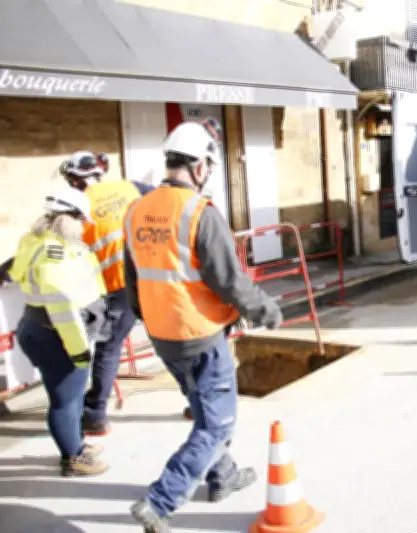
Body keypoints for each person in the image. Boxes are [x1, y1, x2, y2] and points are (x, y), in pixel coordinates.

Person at [123, 120, 283, 532]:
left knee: (203, 406)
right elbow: (229, 280)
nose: (209, 173)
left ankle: (223, 476)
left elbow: (133, 278)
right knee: (217, 423)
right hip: (200, 333)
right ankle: (160, 501)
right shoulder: (200, 213)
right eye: (209, 165)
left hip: (162, 334)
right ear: (199, 167)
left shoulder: (137, 210)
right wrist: (265, 309)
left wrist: (148, 316)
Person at [9, 186, 110, 476]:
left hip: (44, 328)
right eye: (82, 220)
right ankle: (73, 457)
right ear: (68, 218)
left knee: (74, 393)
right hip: (58, 333)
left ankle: (74, 443)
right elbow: (62, 310)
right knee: (65, 400)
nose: (85, 225)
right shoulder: (54, 253)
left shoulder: (38, 240)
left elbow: (16, 272)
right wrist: (78, 351)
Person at [60, 151, 143, 437]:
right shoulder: (129, 187)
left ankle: (95, 415)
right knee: (170, 342)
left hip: (118, 288)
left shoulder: (78, 208)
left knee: (108, 349)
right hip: (150, 279)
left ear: (74, 179)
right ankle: (198, 404)